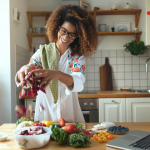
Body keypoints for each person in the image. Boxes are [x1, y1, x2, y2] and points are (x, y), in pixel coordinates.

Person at [15, 5, 98, 123]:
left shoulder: (77, 57)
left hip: (69, 118)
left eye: (72, 35)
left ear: (78, 38)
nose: (65, 37)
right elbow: (29, 69)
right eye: (63, 31)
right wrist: (24, 70)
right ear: (57, 27)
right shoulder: (42, 53)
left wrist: (58, 74)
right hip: (45, 116)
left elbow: (79, 84)